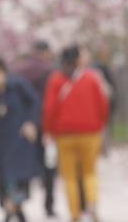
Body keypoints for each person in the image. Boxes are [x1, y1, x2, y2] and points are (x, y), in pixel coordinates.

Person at [43, 45, 109, 222]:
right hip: (90, 133)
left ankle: (74, 214)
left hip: (64, 134)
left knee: (69, 176)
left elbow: (49, 108)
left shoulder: (56, 80)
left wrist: (48, 130)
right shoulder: (91, 78)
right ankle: (92, 204)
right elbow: (102, 104)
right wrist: (101, 123)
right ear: (78, 60)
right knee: (90, 172)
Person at [0, 59, 41, 222]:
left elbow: (34, 103)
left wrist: (30, 122)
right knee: (4, 178)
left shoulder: (18, 85)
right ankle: (12, 210)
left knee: (19, 177)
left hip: (19, 139)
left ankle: (14, 209)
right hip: (0, 141)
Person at [15, 40, 57, 218]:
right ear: (46, 52)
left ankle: (19, 203)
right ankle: (48, 206)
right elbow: (52, 101)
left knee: (23, 164)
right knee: (49, 167)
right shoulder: (51, 71)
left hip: (22, 125)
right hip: (45, 125)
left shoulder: (19, 70)